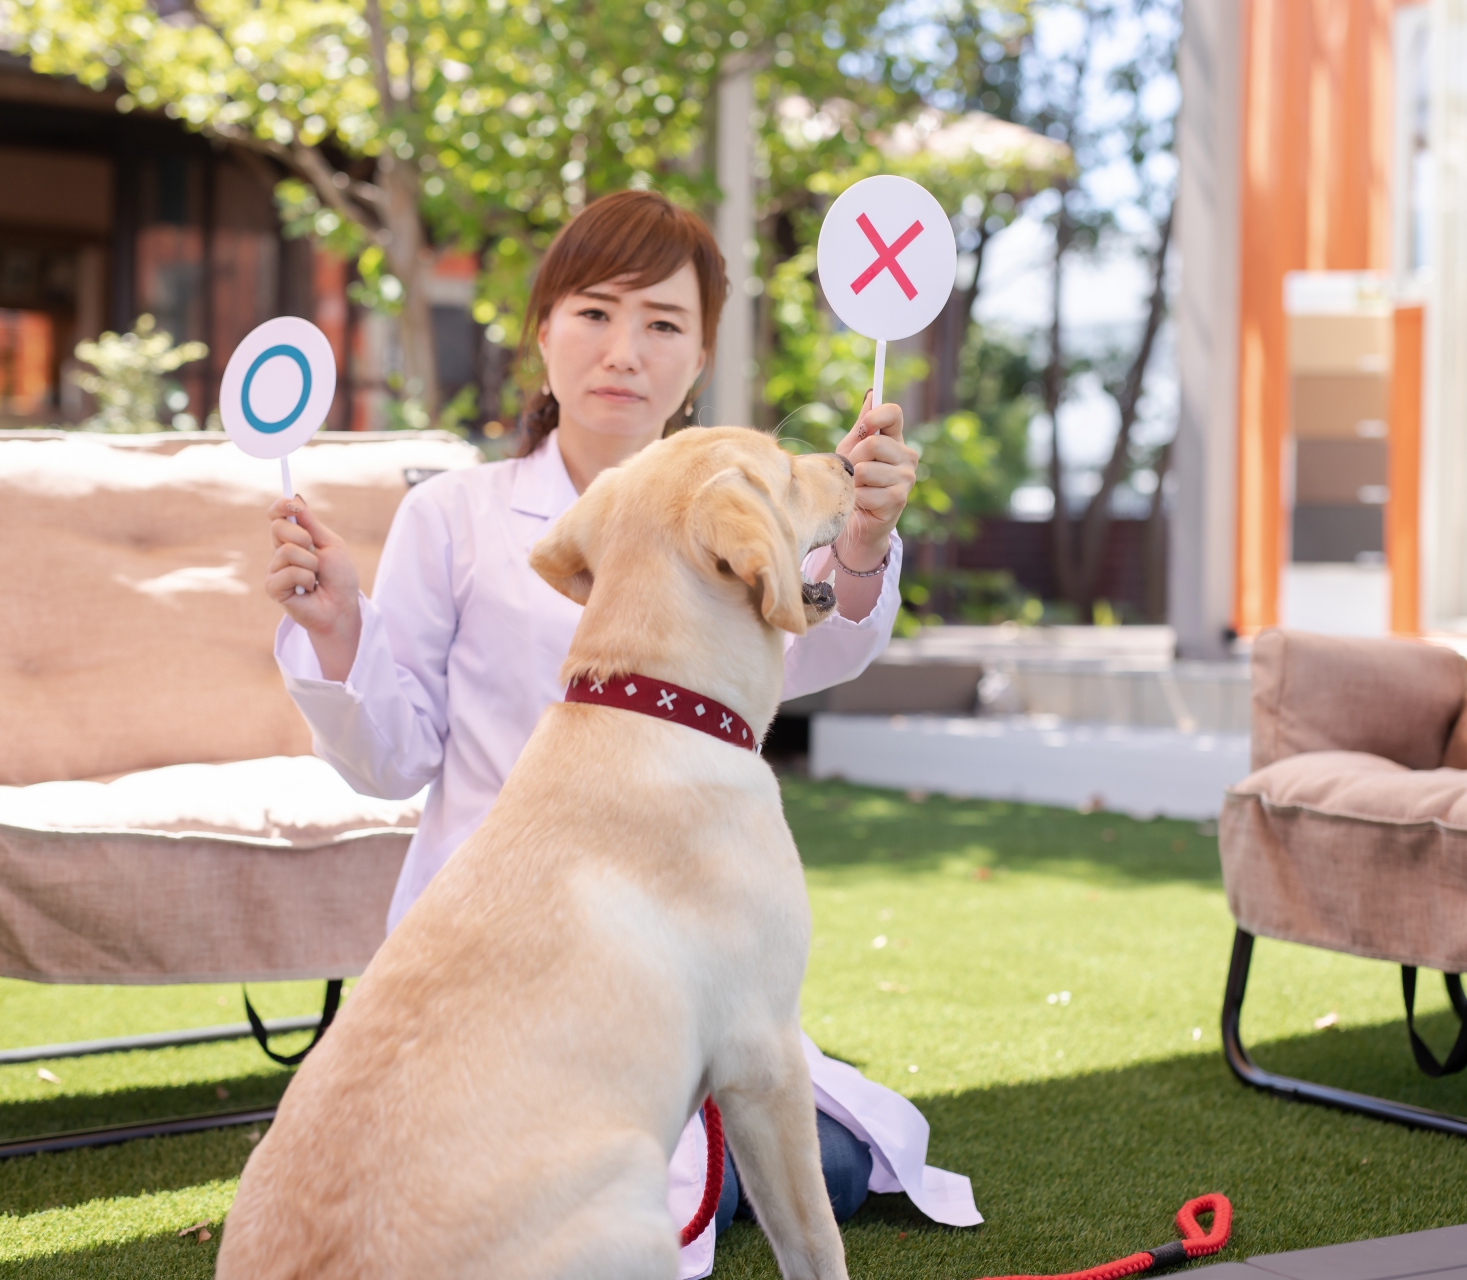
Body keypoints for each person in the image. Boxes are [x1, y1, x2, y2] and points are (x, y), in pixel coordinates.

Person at [263, 190, 979, 1276]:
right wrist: (339, 631)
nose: (624, 351)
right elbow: (394, 756)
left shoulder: (731, 495)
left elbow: (806, 642)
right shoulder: (453, 515)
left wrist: (858, 531)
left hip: (663, 957)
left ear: (697, 357)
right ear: (543, 328)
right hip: (505, 951)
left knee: (831, 1157)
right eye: (595, 312)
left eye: (663, 324)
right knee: (776, 1153)